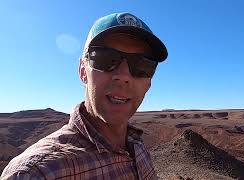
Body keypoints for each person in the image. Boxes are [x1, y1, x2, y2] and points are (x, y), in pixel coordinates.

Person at [1, 12, 168, 179]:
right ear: (82, 71)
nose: (123, 75)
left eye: (142, 65)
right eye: (106, 58)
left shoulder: (137, 145)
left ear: (149, 83)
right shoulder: (35, 174)